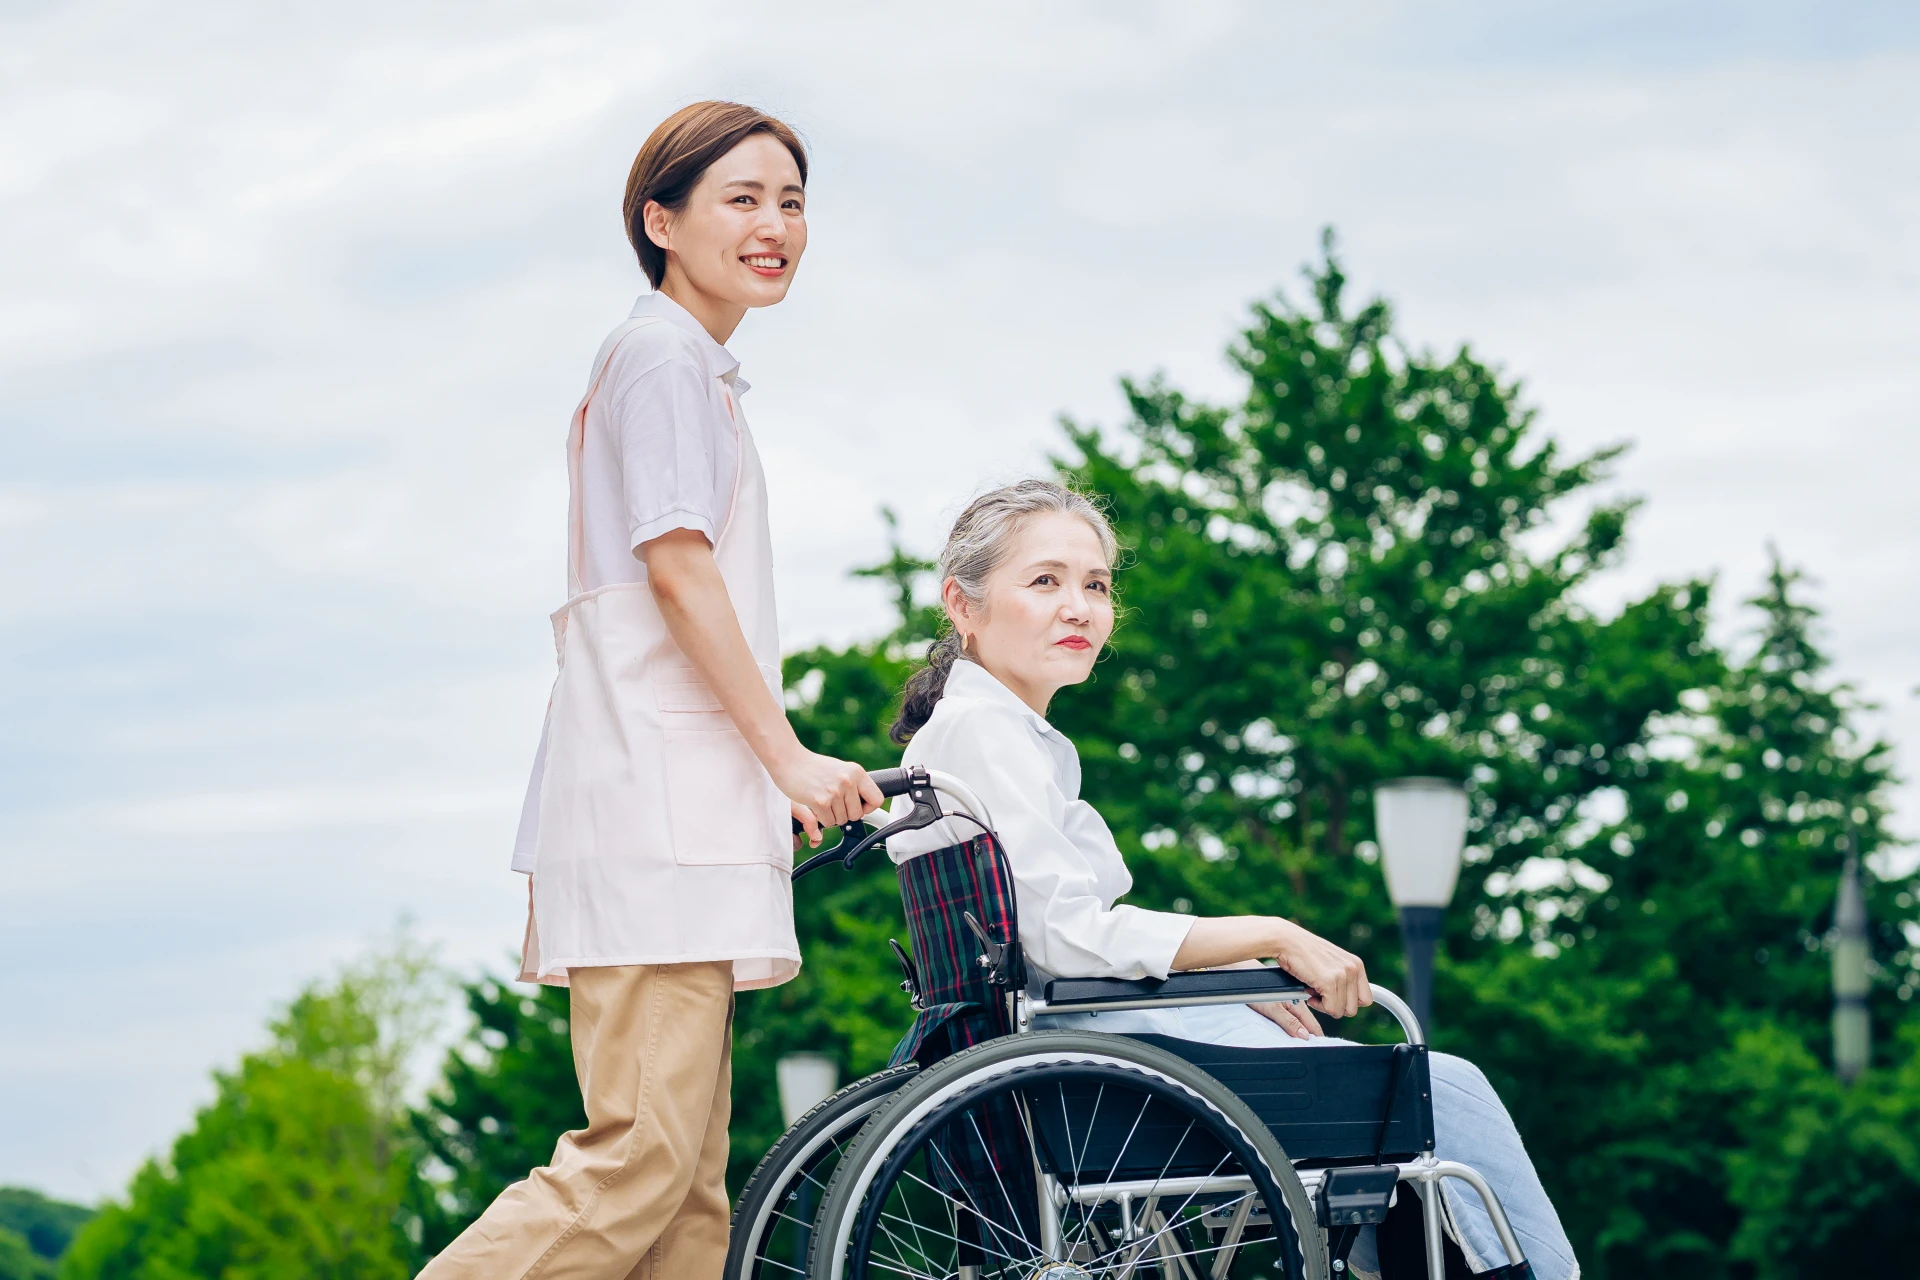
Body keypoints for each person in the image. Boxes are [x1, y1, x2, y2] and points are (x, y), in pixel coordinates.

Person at [882, 479, 1579, 1280]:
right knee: (1441, 1088)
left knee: (1406, 1096)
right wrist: (1270, 936)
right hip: (1086, 1055)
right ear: (962, 606)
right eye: (1045, 581)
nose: (1079, 607)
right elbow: (1065, 937)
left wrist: (1222, 971)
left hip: (1079, 1042)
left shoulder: (995, 732)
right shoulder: (983, 732)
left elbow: (1057, 932)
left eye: (1097, 585)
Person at [422, 102, 882, 1280]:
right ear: (660, 220)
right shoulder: (661, 355)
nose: (776, 224)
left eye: (791, 200)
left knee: (686, 1195)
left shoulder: (697, 372)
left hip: (679, 816)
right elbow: (676, 566)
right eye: (743, 198)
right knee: (637, 1158)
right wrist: (787, 758)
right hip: (651, 817)